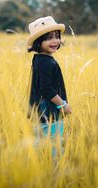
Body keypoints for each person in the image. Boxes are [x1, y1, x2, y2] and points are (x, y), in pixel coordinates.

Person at [27, 16, 72, 147]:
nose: (55, 41)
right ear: (38, 42)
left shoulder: (39, 59)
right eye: (48, 38)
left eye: (57, 36)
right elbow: (46, 89)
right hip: (48, 113)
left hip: (42, 112)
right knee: (53, 146)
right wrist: (63, 105)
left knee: (41, 143)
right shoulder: (45, 63)